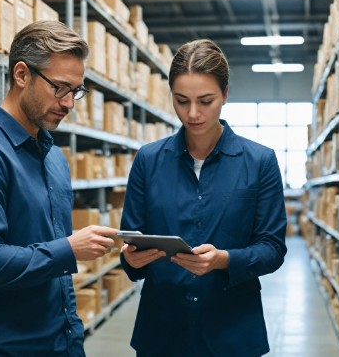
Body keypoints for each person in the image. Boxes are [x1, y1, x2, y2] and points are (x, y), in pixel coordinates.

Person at [0, 21, 118, 356]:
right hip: (3, 349)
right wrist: (69, 249)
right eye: (60, 88)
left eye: (76, 91)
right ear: (22, 75)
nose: (69, 104)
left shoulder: (52, 158)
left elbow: (43, 251)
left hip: (61, 342)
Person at [120, 39, 288, 356]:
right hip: (162, 333)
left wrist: (224, 260)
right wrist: (131, 259)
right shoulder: (148, 160)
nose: (193, 113)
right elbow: (132, 241)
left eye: (206, 101)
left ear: (225, 94)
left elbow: (273, 248)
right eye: (181, 101)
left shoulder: (259, 161)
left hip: (233, 332)